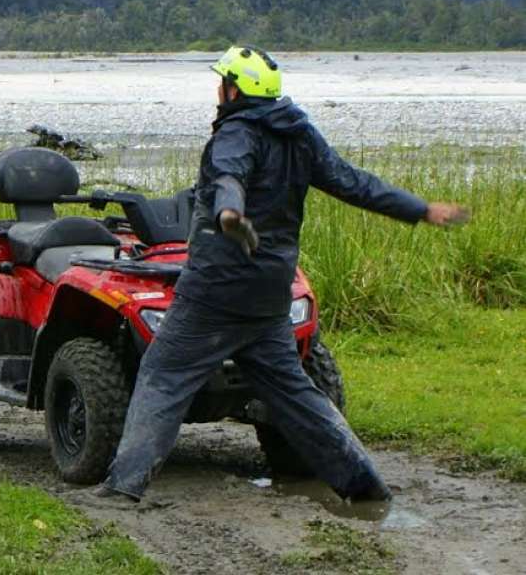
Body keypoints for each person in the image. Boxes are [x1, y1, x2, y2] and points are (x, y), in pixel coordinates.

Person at [99, 45, 470, 503]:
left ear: (235, 89)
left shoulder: (235, 133)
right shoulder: (300, 134)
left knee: (163, 376)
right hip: (270, 292)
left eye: (223, 82)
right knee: (296, 392)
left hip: (216, 290)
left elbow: (229, 177)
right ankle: (366, 486)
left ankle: (123, 487)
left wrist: (230, 214)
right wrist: (420, 209)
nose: (219, 89)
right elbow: (353, 182)